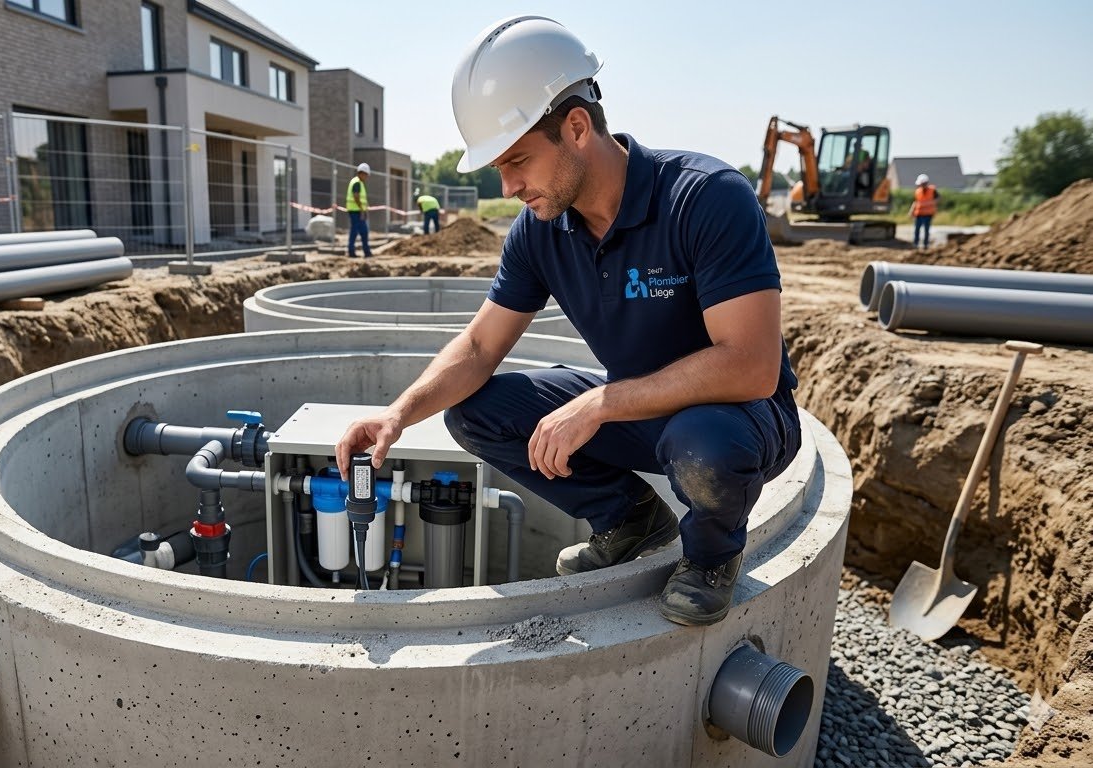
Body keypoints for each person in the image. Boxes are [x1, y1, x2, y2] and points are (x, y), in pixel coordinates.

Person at [335, 15, 800, 627]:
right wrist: (398, 413)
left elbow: (751, 366)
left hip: (740, 415)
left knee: (701, 446)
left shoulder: (705, 198)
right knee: (477, 410)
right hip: (641, 409)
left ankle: (712, 557)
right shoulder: (540, 232)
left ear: (577, 127)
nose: (508, 186)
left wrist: (600, 403)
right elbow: (478, 349)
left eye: (519, 160)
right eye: (499, 167)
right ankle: (631, 517)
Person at [346, 162, 373, 258]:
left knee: (363, 232)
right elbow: (356, 197)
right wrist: (362, 210)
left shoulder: (358, 182)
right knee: (355, 231)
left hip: (358, 211)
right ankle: (352, 251)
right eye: (366, 175)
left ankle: (366, 252)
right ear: (361, 173)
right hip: (355, 211)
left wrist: (364, 209)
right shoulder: (357, 182)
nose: (366, 177)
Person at [910, 173, 939, 249]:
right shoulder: (917, 191)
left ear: (925, 183)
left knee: (926, 230)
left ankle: (925, 245)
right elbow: (915, 202)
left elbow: (938, 199)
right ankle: (915, 244)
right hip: (919, 214)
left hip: (928, 214)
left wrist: (930, 203)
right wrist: (911, 211)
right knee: (917, 230)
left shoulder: (932, 190)